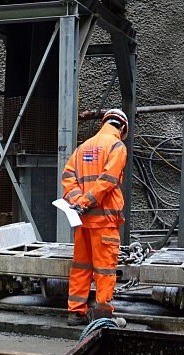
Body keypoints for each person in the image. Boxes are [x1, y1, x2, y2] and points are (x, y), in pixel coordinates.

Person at [61, 108, 129, 326]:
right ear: (123, 127)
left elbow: (67, 176)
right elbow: (108, 180)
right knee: (105, 269)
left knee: (81, 266)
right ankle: (102, 317)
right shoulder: (117, 146)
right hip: (104, 222)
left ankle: (75, 312)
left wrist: (77, 201)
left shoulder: (83, 148)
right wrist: (85, 201)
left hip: (82, 221)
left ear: (105, 122)